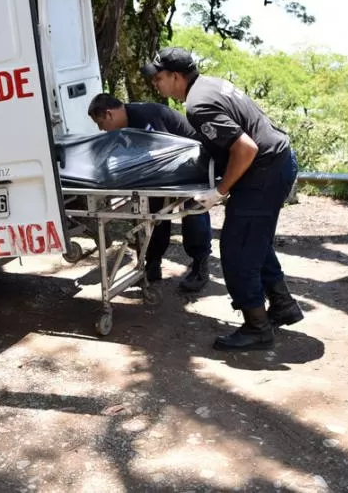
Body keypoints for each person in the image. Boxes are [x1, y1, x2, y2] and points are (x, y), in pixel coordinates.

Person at [140, 47, 304, 351]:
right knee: (253, 242)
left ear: (176, 77)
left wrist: (219, 191)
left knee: (236, 248)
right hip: (276, 163)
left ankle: (257, 327)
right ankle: (282, 305)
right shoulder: (211, 84)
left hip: (263, 171)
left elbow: (246, 148)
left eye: (159, 78)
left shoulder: (198, 104)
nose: (156, 85)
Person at [87, 92, 213, 292]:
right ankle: (152, 264)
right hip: (168, 169)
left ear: (109, 114)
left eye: (101, 123)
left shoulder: (146, 117)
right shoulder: (126, 122)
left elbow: (164, 152)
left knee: (192, 210)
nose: (102, 129)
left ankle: (200, 265)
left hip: (194, 162)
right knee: (153, 213)